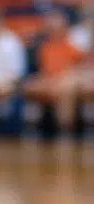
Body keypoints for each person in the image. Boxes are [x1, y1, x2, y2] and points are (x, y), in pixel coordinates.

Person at [23, 10, 83, 139]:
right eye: (50, 28)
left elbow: (79, 69)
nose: (53, 31)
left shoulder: (73, 46)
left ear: (64, 29)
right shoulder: (45, 48)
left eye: (56, 28)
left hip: (67, 81)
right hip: (49, 81)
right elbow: (44, 71)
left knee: (66, 88)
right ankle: (30, 127)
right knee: (29, 85)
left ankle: (65, 131)